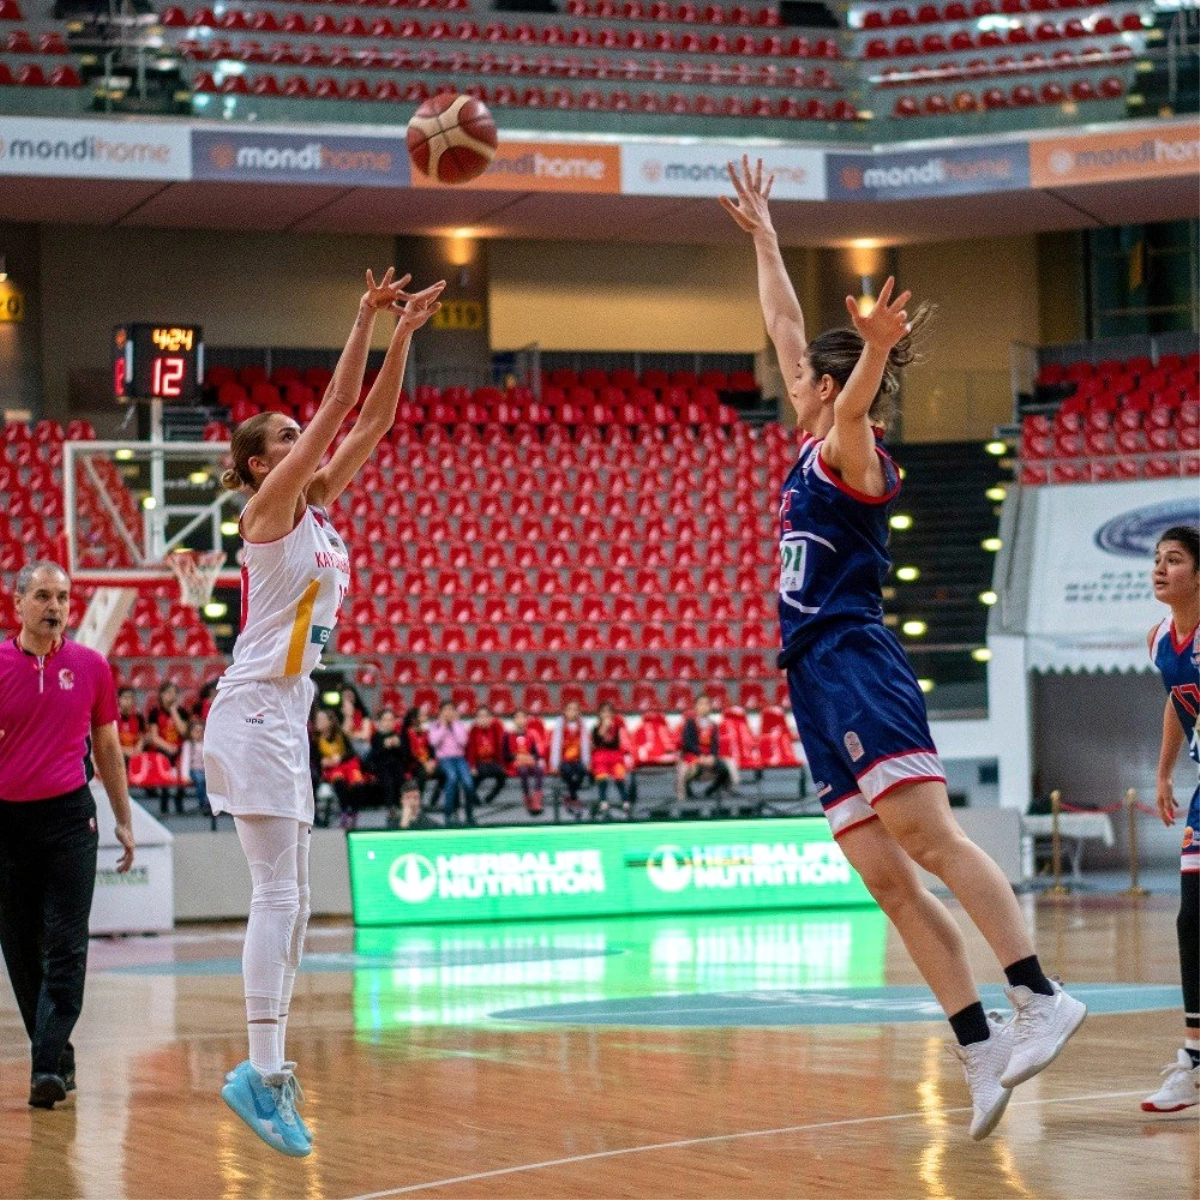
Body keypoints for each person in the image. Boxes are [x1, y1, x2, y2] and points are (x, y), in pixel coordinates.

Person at [722, 155, 1084, 1141]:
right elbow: (788, 326)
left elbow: (841, 390)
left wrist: (877, 350)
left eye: (809, 377)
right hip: (813, 680)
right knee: (885, 877)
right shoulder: (811, 433)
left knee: (931, 839)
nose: (785, 375)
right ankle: (978, 1047)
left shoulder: (852, 445)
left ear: (841, 388)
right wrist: (762, 232)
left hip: (857, 662)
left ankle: (1040, 994)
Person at [202, 266, 443, 1157]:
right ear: (264, 463)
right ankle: (260, 1073)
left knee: (296, 901)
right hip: (254, 709)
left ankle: (268, 1068)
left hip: (284, 712)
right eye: (290, 436)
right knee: (278, 893)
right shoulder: (269, 509)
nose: (308, 440)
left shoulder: (319, 512)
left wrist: (407, 334)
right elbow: (343, 398)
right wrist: (361, 317)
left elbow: (371, 418)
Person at [0, 561, 136, 1109]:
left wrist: (123, 818)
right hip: (7, 822)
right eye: (43, 597)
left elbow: (107, 748)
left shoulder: (92, 667)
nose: (55, 607)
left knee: (66, 943)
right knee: (20, 946)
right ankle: (56, 1054)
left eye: (63, 597)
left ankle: (45, 1066)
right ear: (18, 605)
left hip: (69, 820)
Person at [1142, 526, 1200, 1113]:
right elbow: (1180, 701)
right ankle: (1194, 1057)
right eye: (1157, 560)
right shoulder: (1161, 640)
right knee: (1193, 920)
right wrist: (1163, 773)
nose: (1161, 569)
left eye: (1175, 560)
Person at [367, 707, 422, 830]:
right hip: (382, 767)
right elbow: (374, 756)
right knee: (387, 781)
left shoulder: (400, 736)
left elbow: (406, 756)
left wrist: (398, 746)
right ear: (380, 722)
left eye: (391, 720)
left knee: (402, 779)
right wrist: (384, 746)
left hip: (397, 767)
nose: (388, 723)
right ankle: (391, 808)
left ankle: (405, 807)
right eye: (385, 720)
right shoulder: (376, 737)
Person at [312, 707, 367, 828]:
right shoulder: (315, 740)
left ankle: (354, 812)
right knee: (339, 781)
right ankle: (344, 811)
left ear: (330, 722)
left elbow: (351, 753)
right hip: (331, 770)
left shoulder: (341, 735)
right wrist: (323, 762)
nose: (318, 722)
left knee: (357, 783)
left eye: (322, 719)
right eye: (318, 719)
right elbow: (315, 759)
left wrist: (340, 758)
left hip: (348, 765)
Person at [426, 699, 478, 827]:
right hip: (444, 759)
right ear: (441, 712)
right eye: (446, 710)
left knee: (468, 783)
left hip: (459, 759)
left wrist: (454, 724)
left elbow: (463, 742)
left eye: (451, 710)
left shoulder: (459, 724)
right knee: (452, 778)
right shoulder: (435, 725)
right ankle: (448, 814)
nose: (448, 713)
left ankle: (469, 814)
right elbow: (433, 742)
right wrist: (444, 726)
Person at [677, 694, 732, 804]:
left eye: (707, 704)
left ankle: (710, 792)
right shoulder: (690, 723)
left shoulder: (713, 725)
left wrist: (712, 756)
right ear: (696, 707)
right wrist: (700, 754)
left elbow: (715, 744)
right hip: (693, 755)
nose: (704, 707)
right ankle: (687, 795)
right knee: (690, 770)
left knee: (725, 770)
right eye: (701, 704)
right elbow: (688, 743)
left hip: (709, 757)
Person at [146, 680, 189, 815]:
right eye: (168, 693)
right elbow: (154, 737)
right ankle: (164, 800)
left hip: (179, 749)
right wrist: (168, 747)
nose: (172, 696)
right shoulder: (155, 712)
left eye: (174, 693)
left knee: (183, 762)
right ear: (161, 695)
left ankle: (179, 800)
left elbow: (184, 732)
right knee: (163, 761)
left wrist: (173, 711)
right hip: (163, 749)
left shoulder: (182, 711)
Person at [549, 699, 590, 816]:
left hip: (577, 760)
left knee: (581, 771)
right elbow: (556, 744)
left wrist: (586, 762)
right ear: (565, 712)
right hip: (564, 760)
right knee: (567, 771)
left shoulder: (581, 725)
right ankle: (574, 797)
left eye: (575, 710)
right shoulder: (560, 724)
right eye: (570, 709)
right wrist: (554, 764)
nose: (572, 712)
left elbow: (585, 744)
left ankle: (570, 797)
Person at [590, 701, 631, 819]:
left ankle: (625, 801)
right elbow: (596, 742)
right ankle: (603, 801)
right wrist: (604, 727)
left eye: (609, 712)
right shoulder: (595, 728)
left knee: (619, 777)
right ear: (599, 714)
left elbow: (621, 744)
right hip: (601, 757)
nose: (606, 714)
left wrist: (627, 756)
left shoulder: (618, 728)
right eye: (603, 712)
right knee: (602, 776)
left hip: (616, 757)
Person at [504, 708, 544, 816]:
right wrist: (517, 756)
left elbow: (536, 754)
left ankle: (537, 799)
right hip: (516, 764)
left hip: (528, 761)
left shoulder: (531, 735)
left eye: (522, 717)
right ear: (513, 720)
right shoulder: (507, 735)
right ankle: (527, 798)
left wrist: (529, 757)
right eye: (517, 717)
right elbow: (506, 755)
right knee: (523, 771)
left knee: (539, 770)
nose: (520, 720)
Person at [466, 704, 508, 805]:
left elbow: (499, 748)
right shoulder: (473, 730)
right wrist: (472, 767)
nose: (483, 719)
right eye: (480, 716)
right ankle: (474, 799)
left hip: (492, 762)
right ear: (476, 719)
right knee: (476, 776)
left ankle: (490, 796)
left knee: (502, 774)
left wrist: (502, 765)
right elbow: (470, 751)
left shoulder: (495, 728)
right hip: (479, 763)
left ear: (490, 718)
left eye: (486, 716)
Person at [179, 716, 210, 819]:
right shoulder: (188, 744)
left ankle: (210, 803)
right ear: (190, 732)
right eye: (196, 731)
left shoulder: (206, 743)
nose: (199, 734)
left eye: (201, 731)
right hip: (194, 770)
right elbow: (186, 760)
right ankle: (203, 804)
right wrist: (185, 775)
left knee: (210, 781)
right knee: (200, 779)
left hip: (204, 769)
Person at [340, 686, 374, 759]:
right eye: (345, 696)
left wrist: (351, 735)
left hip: (360, 745)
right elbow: (343, 735)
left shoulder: (363, 714)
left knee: (364, 747)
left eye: (349, 695)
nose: (348, 699)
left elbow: (365, 735)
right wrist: (348, 716)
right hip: (344, 746)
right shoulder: (339, 714)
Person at [115, 687, 146, 764]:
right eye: (125, 698)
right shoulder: (112, 719)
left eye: (131, 698)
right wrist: (126, 751)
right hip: (118, 755)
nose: (128, 701)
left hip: (134, 753)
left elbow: (142, 738)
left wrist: (138, 749)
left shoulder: (139, 717)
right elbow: (111, 743)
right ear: (119, 699)